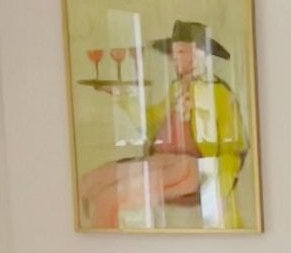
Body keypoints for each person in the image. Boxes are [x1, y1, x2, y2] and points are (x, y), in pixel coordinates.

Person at [77, 20, 249, 229]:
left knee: (108, 199)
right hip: (163, 160)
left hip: (191, 169)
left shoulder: (220, 94)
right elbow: (151, 124)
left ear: (202, 55)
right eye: (176, 53)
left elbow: (234, 152)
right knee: (89, 183)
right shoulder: (176, 88)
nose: (178, 58)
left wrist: (214, 192)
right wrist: (122, 97)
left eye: (185, 52)